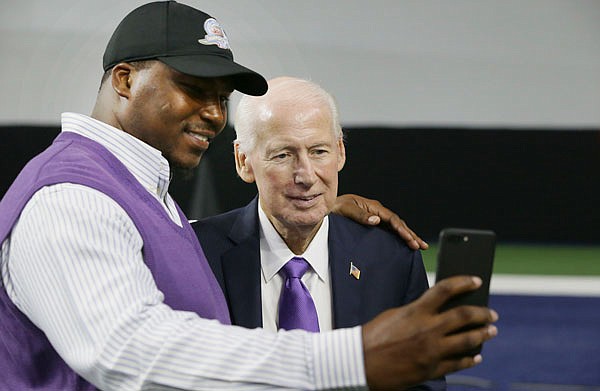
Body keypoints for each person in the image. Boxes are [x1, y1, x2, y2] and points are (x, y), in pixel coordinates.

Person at [0, 2, 497, 390]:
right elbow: (132, 353)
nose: (215, 114)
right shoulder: (71, 197)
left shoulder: (140, 191)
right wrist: (355, 357)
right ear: (125, 80)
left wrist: (315, 213)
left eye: (221, 98)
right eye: (194, 88)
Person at [194, 76, 445, 390]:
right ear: (244, 161)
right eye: (283, 154)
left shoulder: (391, 258)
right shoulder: (196, 255)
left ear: (340, 152)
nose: (306, 175)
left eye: (318, 151)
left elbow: (423, 380)